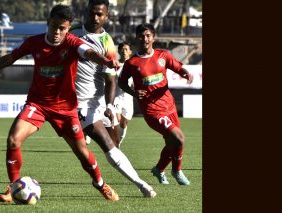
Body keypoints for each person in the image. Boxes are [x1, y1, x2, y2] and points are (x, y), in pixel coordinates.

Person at [0, 4, 120, 202]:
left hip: (65, 108)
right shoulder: (34, 42)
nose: (57, 32)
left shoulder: (72, 42)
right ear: (48, 23)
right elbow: (10, 58)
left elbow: (88, 53)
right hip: (37, 104)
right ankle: (13, 187)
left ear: (68, 28)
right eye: (54, 26)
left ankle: (100, 183)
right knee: (13, 139)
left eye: (62, 28)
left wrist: (104, 61)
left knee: (82, 152)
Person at [70, 0, 156, 198]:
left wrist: (109, 105)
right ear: (86, 12)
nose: (95, 18)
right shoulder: (71, 31)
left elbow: (110, 80)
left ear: (106, 16)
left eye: (100, 14)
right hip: (77, 103)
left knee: (114, 143)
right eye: (92, 13)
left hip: (97, 101)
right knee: (106, 143)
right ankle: (140, 184)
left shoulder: (107, 43)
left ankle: (107, 179)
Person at [118, 23, 193, 185]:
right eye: (141, 36)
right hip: (152, 110)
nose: (145, 39)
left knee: (171, 142)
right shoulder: (132, 63)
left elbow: (177, 67)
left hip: (169, 105)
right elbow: (122, 83)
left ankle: (159, 169)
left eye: (148, 36)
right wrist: (134, 93)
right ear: (136, 38)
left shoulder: (163, 55)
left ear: (153, 37)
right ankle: (177, 170)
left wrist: (185, 73)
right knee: (179, 138)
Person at [112, 41, 134, 148]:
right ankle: (115, 143)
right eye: (122, 49)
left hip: (128, 99)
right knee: (117, 120)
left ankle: (118, 142)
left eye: (126, 49)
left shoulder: (134, 65)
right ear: (119, 51)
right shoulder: (115, 64)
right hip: (116, 98)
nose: (124, 52)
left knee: (123, 124)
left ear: (130, 51)